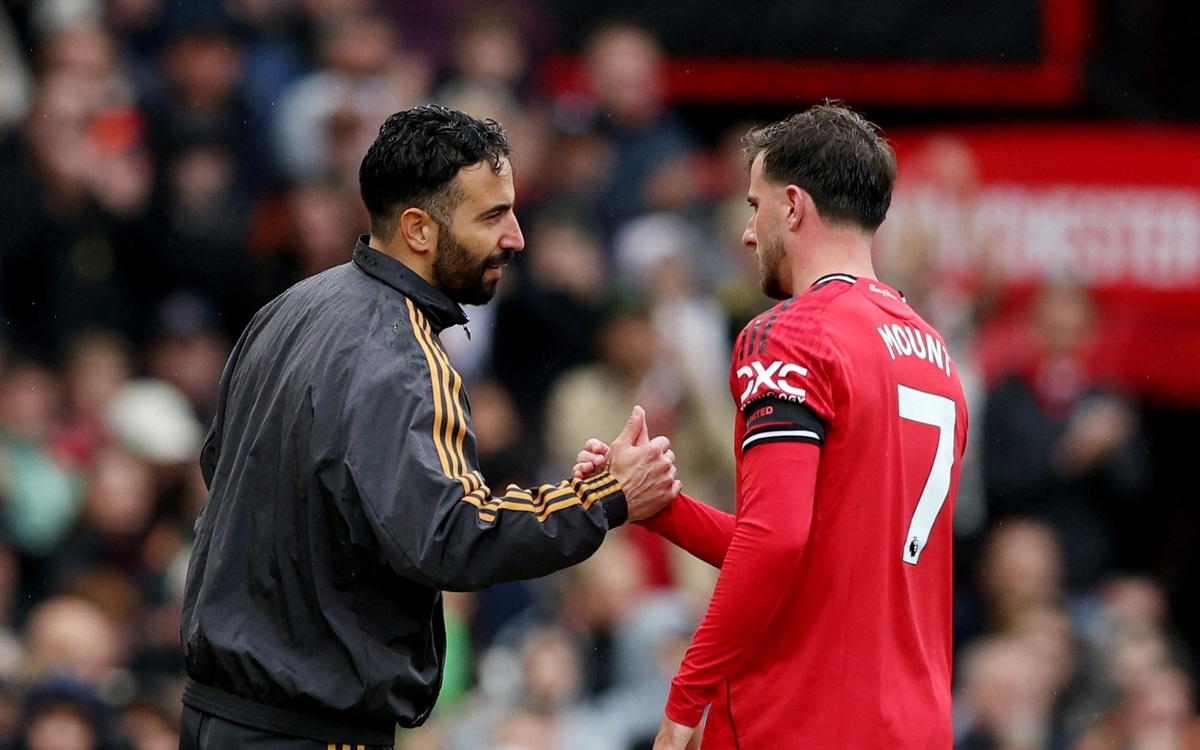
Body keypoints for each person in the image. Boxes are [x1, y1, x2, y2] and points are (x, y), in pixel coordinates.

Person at [178, 104, 681, 750]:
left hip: (217, 717)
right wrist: (603, 498)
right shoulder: (405, 355)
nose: (517, 236)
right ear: (418, 228)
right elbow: (450, 536)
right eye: (493, 215)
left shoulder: (288, 309)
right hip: (309, 729)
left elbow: (220, 467)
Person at [574, 103, 970, 748]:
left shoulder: (790, 333)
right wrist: (658, 506)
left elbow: (776, 541)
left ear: (792, 206)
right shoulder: (935, 354)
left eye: (753, 206)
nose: (747, 233)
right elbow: (808, 552)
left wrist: (683, 701)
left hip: (802, 717)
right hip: (915, 724)